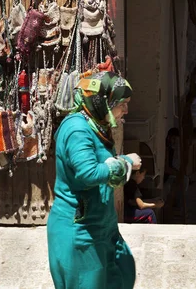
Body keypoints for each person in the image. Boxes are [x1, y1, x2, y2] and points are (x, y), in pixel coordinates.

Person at [47, 71, 141, 289]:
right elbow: (88, 173)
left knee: (122, 274)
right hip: (80, 233)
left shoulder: (96, 124)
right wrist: (125, 162)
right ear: (104, 100)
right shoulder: (77, 129)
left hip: (102, 227)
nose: (126, 110)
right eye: (123, 103)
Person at [163, 128, 188, 207]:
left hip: (171, 174)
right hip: (166, 178)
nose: (174, 141)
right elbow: (166, 168)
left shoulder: (172, 148)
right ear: (169, 137)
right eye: (173, 139)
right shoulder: (166, 148)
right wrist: (177, 174)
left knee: (185, 180)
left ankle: (179, 204)